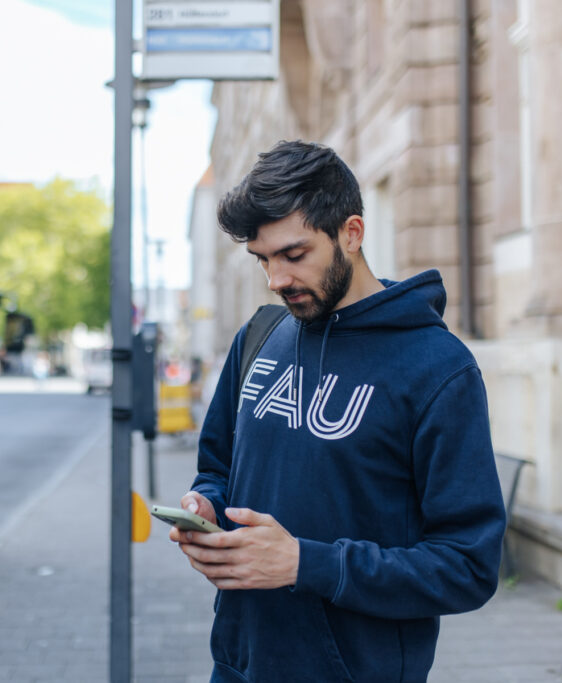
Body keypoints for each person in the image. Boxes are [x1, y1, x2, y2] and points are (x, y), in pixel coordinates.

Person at [171, 140, 507, 682]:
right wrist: (207, 507)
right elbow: (217, 468)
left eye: (294, 255)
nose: (276, 280)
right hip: (238, 663)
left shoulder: (438, 369)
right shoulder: (260, 334)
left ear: (351, 233)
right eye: (263, 259)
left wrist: (308, 564)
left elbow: (468, 566)